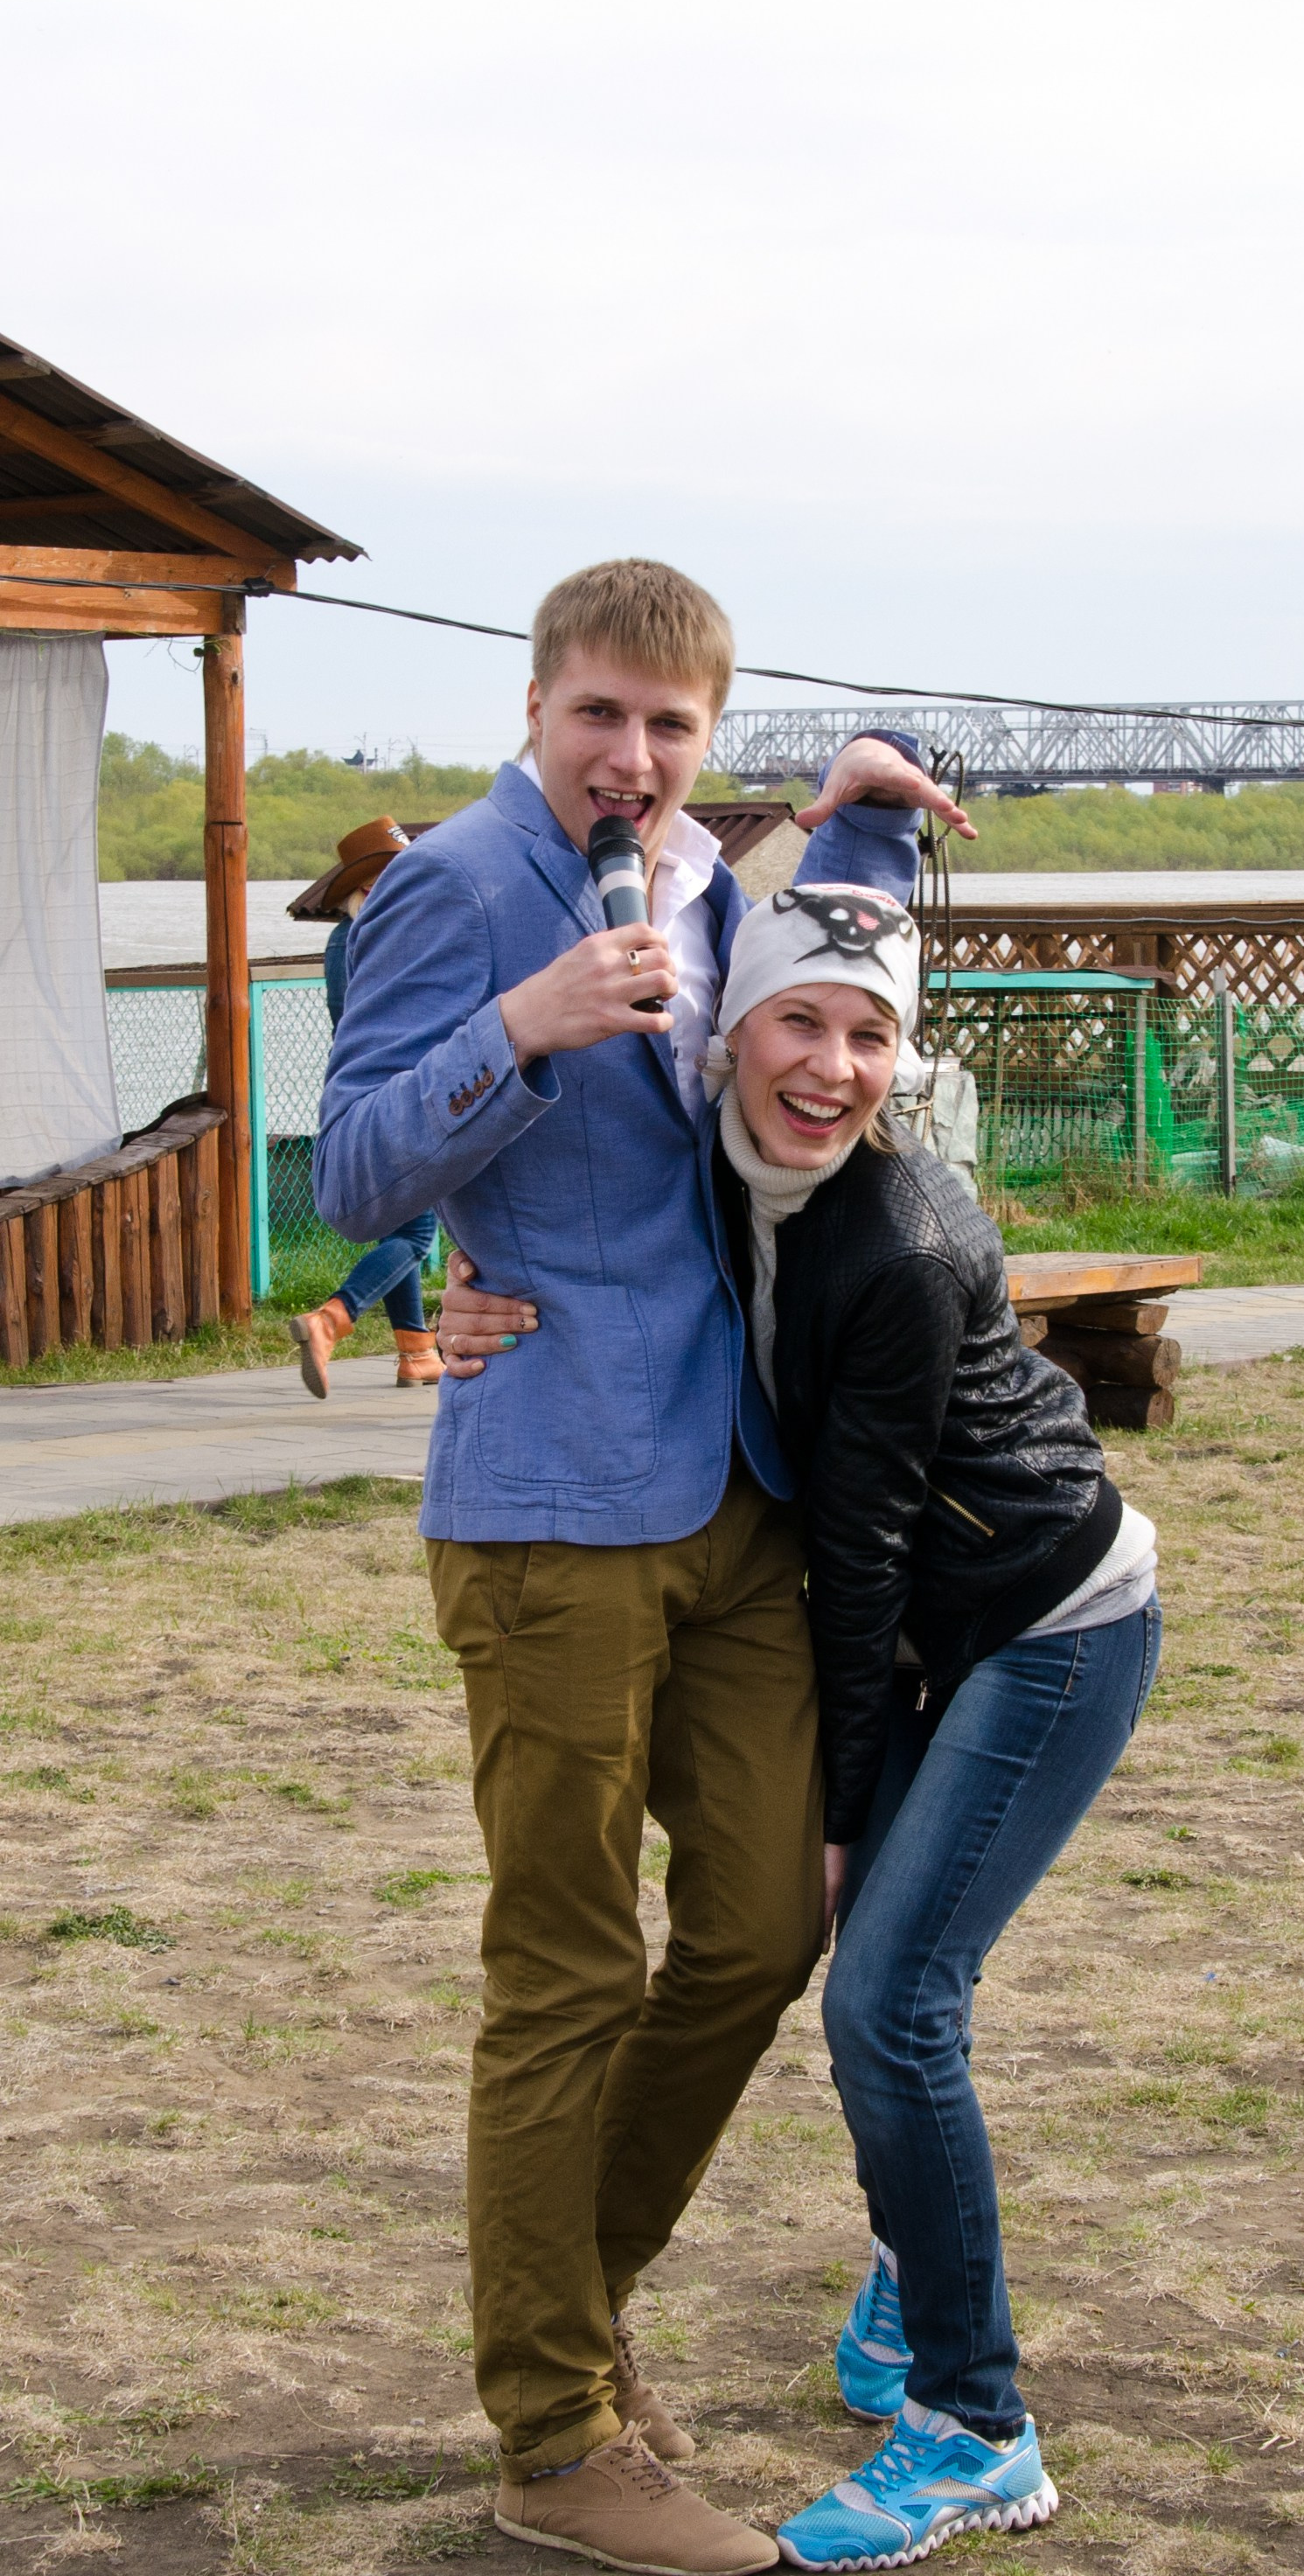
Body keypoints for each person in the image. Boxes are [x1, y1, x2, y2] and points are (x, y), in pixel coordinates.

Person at [312, 560, 968, 2576]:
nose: (628, 756)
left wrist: (847, 809)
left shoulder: (699, 874)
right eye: (597, 715)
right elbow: (346, 1172)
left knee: (765, 1926)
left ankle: (570, 2320)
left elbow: (816, 1001)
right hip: (548, 1504)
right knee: (567, 1970)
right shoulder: (452, 883)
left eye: (668, 726)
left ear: (706, 734)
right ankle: (550, 2431)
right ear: (533, 705)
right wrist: (519, 1028)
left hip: (737, 1499)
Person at [441, 883, 1161, 2573]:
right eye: (800, 1022)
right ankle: (917, 2277)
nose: (831, 1065)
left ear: (902, 1064)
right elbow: (705, 925)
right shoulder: (726, 1155)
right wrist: (447, 1284)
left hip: (1047, 1625)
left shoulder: (893, 1243)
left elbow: (862, 1555)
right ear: (730, 1034)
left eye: (870, 1036)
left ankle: (976, 2422)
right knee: (886, 1987)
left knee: (885, 1995)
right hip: (941, 1630)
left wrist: (838, 1807)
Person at [289, 817, 443, 1396]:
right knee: (418, 1237)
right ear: (372, 888)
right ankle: (331, 1320)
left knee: (397, 1226)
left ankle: (416, 1351)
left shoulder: (346, 943)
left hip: (362, 1102)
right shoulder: (375, 942)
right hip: (397, 1102)